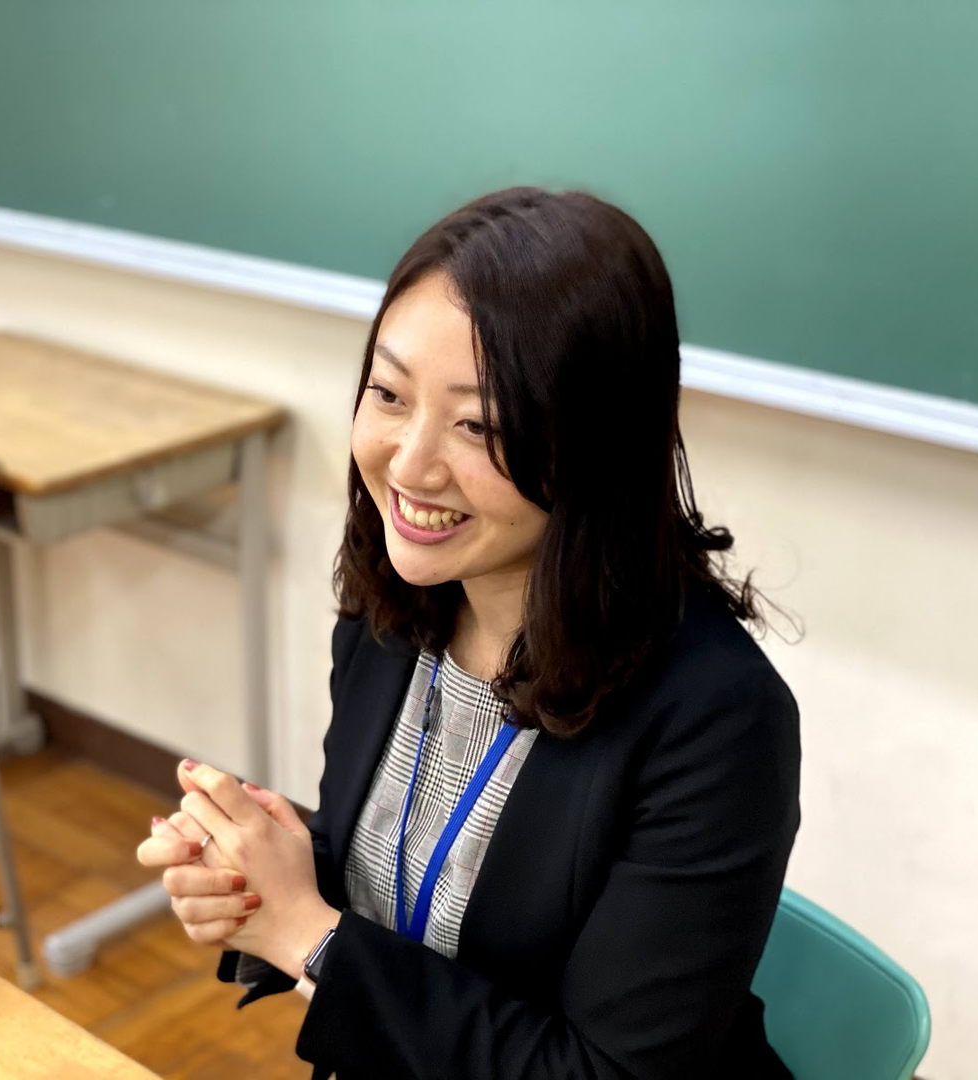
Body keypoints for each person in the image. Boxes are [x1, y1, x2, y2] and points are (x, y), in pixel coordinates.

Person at [136, 187, 801, 1079]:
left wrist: (311, 935)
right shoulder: (397, 605)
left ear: (597, 445)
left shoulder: (719, 720)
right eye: (388, 393)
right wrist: (258, 883)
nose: (409, 465)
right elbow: (402, 877)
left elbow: (602, 1073)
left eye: (479, 424)